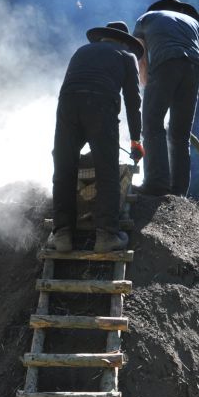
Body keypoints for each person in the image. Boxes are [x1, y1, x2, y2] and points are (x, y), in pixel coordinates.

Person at [48, 21, 143, 253]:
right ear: (123, 41)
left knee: (64, 169)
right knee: (107, 170)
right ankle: (107, 236)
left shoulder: (81, 51)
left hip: (68, 106)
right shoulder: (126, 56)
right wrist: (136, 140)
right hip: (100, 106)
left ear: (103, 38)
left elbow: (70, 85)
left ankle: (62, 235)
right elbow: (133, 101)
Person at [132, 0, 199, 197]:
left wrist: (146, 86)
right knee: (180, 133)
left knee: (152, 123)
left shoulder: (146, 17)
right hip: (193, 70)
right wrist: (192, 88)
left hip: (165, 62)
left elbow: (141, 56)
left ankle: (156, 184)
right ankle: (179, 191)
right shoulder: (193, 23)